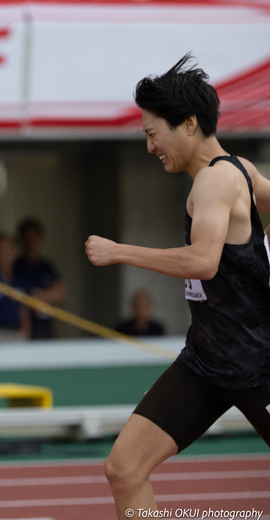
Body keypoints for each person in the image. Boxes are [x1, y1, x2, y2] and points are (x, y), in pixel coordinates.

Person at [86, 54, 270, 520]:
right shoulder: (242, 172)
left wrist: (119, 251)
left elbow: (203, 261)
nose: (150, 147)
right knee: (124, 468)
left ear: (188, 124)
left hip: (257, 363)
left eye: (153, 134)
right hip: (207, 361)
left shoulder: (216, 180)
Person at [13, 218, 66, 339]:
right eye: (27, 238)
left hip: (46, 326)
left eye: (34, 238)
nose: (30, 242)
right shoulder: (16, 267)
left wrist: (36, 297)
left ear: (40, 239)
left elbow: (61, 293)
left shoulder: (46, 267)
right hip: (23, 328)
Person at [0, 232, 31, 342]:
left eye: (8, 249)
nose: (4, 253)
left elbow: (24, 310)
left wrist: (25, 334)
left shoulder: (21, 278)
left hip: (17, 333)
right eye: (0, 249)